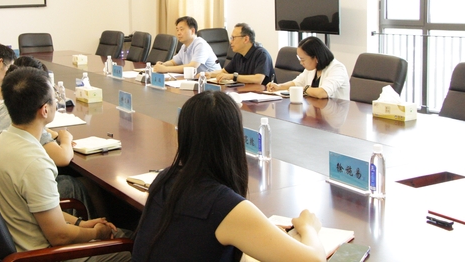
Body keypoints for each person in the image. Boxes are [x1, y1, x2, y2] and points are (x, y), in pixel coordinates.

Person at [132, 91, 325, 262]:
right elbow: (314, 260)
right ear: (234, 138)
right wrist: (308, 227)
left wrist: (260, 229)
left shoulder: (165, 178)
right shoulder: (225, 206)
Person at [0, 67, 130, 261]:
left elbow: (39, 210)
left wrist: (81, 224)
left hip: (22, 245)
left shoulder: (1, 142)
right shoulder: (34, 163)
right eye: (54, 99)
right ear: (45, 110)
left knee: (127, 235)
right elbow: (60, 236)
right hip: (43, 256)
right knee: (132, 247)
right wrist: (96, 233)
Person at [0, 56, 96, 216]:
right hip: (12, 200)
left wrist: (53, 134)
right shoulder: (30, 132)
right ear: (43, 107)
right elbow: (63, 158)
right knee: (73, 183)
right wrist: (66, 138)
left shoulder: (8, 110)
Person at [266, 36, 350, 100]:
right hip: (315, 110)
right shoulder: (312, 68)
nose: (301, 62)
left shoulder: (337, 69)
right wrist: (279, 86)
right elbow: (296, 83)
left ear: (316, 58)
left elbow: (322, 93)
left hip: (334, 113)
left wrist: (303, 89)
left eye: (303, 59)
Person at [205, 23, 274, 85]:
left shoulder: (262, 54)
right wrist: (210, 74)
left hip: (262, 93)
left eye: (233, 38)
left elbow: (258, 79)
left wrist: (233, 76)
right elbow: (225, 72)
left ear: (246, 39)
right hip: (244, 91)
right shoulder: (239, 55)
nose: (231, 42)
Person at [152, 16, 221, 74]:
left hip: (212, 81)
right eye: (177, 30)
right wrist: (163, 64)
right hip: (196, 80)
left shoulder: (200, 44)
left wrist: (166, 69)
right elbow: (174, 62)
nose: (178, 33)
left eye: (181, 29)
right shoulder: (184, 46)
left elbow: (192, 67)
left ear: (192, 31)